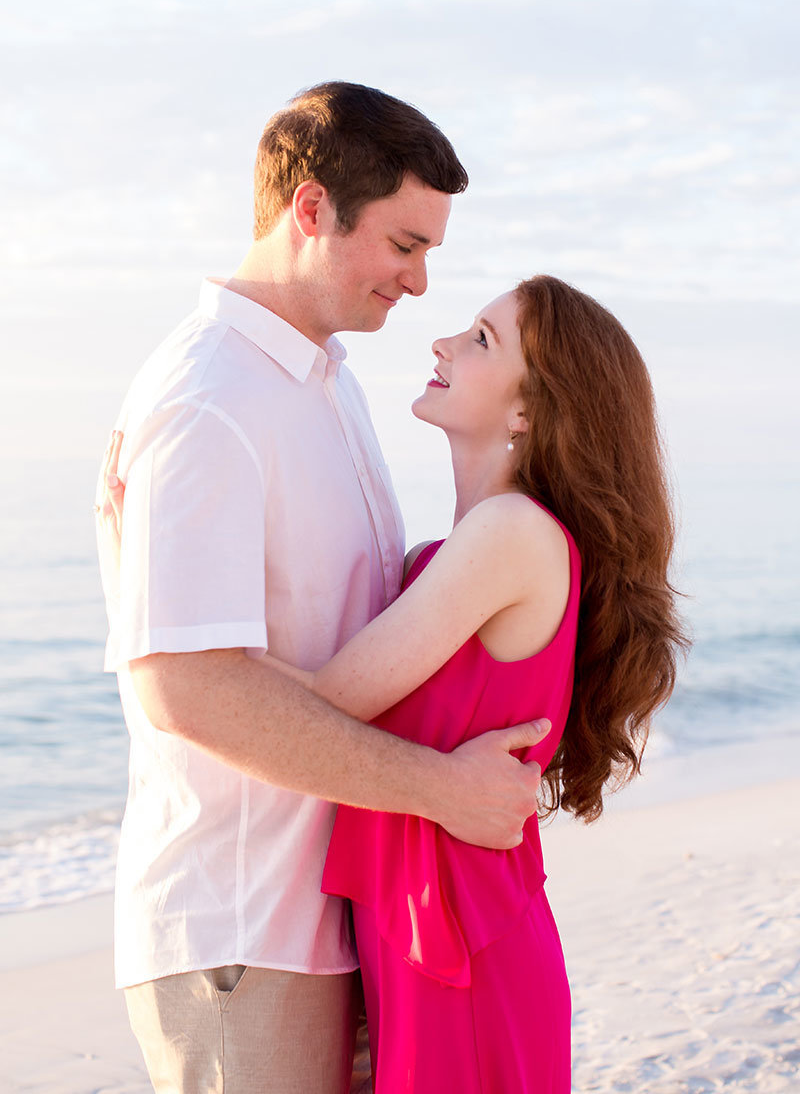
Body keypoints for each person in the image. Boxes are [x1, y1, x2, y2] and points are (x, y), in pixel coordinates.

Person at [101, 275, 687, 1091]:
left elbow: (328, 702)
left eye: (481, 339)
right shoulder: (442, 559)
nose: (442, 343)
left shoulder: (511, 534)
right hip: (412, 929)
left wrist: (161, 595)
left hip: (460, 943)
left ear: (529, 411)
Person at [94, 81, 550, 1094]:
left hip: (336, 914)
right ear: (309, 210)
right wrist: (443, 791)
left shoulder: (325, 377)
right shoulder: (209, 400)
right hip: (239, 926)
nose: (421, 283)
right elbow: (185, 690)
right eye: (402, 245)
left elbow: (354, 629)